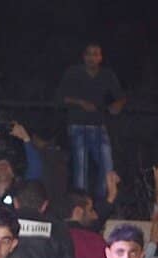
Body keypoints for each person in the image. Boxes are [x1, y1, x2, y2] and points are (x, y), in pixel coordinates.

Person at [56, 42, 125, 199]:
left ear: (100, 58)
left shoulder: (107, 75)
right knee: (81, 169)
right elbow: (60, 98)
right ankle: (82, 204)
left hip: (99, 126)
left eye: (95, 54)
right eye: (89, 54)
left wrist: (116, 105)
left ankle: (103, 201)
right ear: (84, 56)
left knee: (107, 167)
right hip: (77, 125)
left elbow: (121, 97)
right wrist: (80, 103)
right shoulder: (74, 72)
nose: (92, 58)